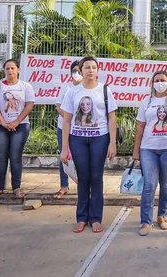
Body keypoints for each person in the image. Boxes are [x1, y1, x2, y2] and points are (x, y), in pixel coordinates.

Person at [60, 56, 118, 234]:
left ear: (98, 71)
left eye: (94, 67)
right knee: (83, 178)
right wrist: (64, 148)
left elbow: (112, 118)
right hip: (77, 140)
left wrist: (112, 144)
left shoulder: (105, 91)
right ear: (81, 70)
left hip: (100, 139)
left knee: (96, 177)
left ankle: (95, 218)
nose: (90, 70)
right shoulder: (72, 92)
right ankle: (82, 217)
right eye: (87, 67)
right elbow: (67, 121)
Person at [133, 71, 167, 236]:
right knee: (149, 185)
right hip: (148, 148)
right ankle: (146, 221)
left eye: (163, 80)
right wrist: (136, 150)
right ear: (152, 83)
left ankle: (162, 216)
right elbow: (140, 126)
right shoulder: (147, 101)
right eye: (157, 80)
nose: (160, 83)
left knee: (166, 184)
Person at [0, 59, 36, 204]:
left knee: (15, 157)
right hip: (0, 126)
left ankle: (16, 187)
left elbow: (29, 105)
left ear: (18, 70)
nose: (10, 71)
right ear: (4, 71)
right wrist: (3, 123)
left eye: (13, 68)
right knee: (1, 157)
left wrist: (16, 122)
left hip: (20, 125)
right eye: (7, 68)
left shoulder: (25, 86)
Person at [53, 60, 82, 199]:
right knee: (63, 156)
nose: (77, 74)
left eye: (79, 71)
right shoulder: (66, 87)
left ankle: (83, 186)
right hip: (63, 127)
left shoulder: (87, 89)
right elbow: (58, 106)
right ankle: (64, 186)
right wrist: (68, 118)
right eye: (74, 71)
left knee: (82, 157)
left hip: (81, 129)